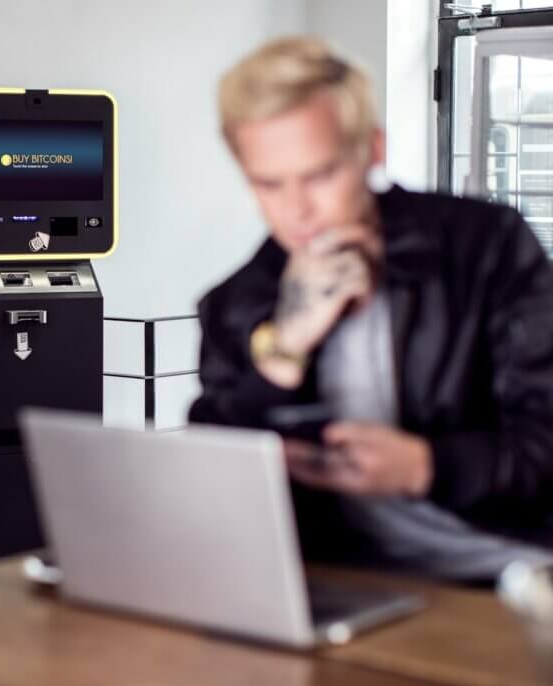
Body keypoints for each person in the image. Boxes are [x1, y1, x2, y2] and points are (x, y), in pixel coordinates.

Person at [189, 36, 553, 582]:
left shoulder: (489, 248)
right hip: (342, 583)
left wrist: (425, 466)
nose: (298, 210)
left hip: (512, 574)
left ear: (372, 150)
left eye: (321, 175)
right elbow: (210, 486)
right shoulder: (236, 303)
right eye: (270, 184)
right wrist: (282, 352)